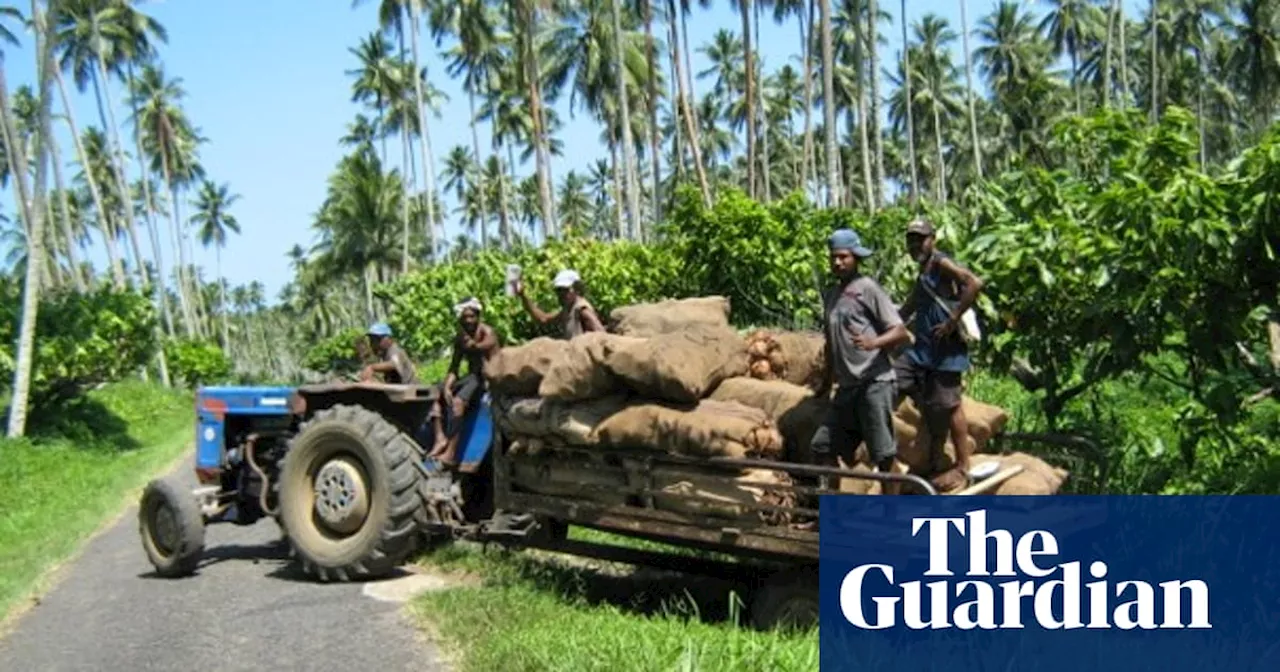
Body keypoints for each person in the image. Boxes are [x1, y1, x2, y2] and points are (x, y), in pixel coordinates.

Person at [810, 228, 911, 490]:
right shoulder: (832, 295)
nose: (837, 262)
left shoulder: (868, 289)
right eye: (833, 257)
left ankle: (892, 516)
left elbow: (899, 330)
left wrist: (872, 342)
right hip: (847, 388)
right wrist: (825, 382)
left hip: (874, 383)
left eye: (843, 257)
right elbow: (832, 343)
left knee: (883, 455)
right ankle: (832, 512)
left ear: (856, 257)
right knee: (823, 446)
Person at [895, 218, 987, 492]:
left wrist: (952, 320)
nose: (915, 245)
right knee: (896, 378)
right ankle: (931, 452)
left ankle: (962, 466)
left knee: (951, 405)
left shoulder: (941, 263)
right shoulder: (924, 272)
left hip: (944, 352)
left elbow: (974, 283)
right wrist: (886, 324)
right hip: (922, 351)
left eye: (920, 239)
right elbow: (910, 305)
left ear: (933, 239)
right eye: (911, 240)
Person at [429, 297, 501, 465]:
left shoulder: (487, 333)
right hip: (472, 377)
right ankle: (440, 438)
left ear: (478, 316)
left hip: (487, 377)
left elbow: (478, 348)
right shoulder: (461, 337)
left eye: (472, 316)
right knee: (433, 392)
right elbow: (454, 366)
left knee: (458, 403)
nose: (468, 321)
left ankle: (452, 453)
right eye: (465, 317)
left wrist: (467, 342)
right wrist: (447, 386)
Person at [513, 268, 605, 339]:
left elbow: (602, 336)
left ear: (576, 289)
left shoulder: (582, 309)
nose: (561, 294)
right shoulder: (568, 309)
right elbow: (543, 319)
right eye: (558, 290)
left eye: (564, 290)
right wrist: (523, 296)